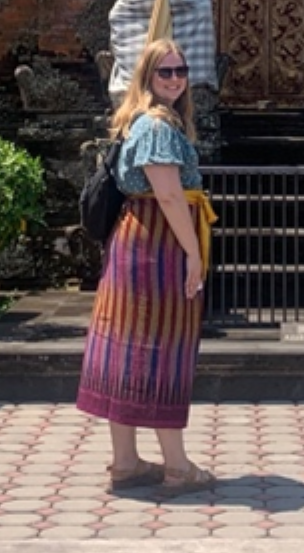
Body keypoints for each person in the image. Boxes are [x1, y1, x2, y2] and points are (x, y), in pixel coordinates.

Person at [76, 38, 216, 495]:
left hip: (138, 243)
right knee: (160, 346)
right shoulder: (156, 125)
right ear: (147, 77)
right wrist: (193, 252)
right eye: (165, 72)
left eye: (180, 71)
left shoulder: (143, 120)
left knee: (127, 345)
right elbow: (170, 195)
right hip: (157, 244)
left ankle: (126, 462)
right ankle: (176, 466)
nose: (175, 79)